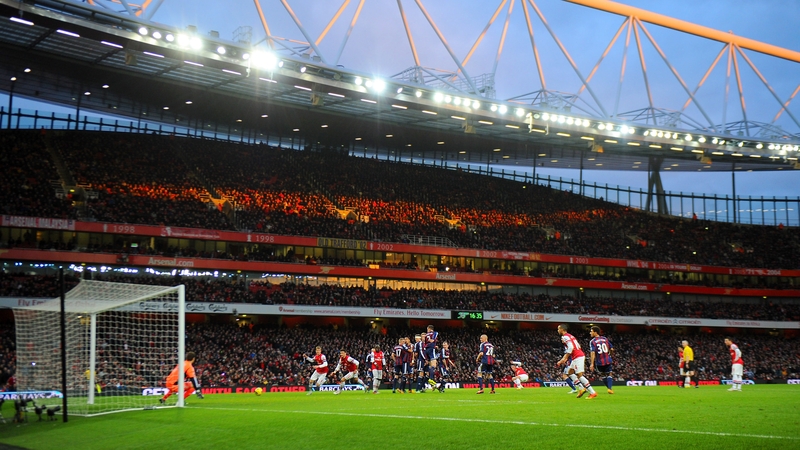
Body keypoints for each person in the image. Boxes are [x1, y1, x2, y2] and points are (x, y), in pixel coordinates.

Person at [556, 324, 597, 399]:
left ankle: (592, 392)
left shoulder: (564, 337)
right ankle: (581, 389)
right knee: (570, 372)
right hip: (577, 356)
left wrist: (564, 358)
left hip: (578, 356)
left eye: (558, 329)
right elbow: (578, 346)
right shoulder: (571, 336)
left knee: (579, 375)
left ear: (562, 329)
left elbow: (571, 347)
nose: (558, 330)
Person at [589, 326, 615, 394]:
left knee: (603, 375)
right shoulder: (605, 339)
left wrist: (592, 363)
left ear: (595, 332)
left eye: (591, 331)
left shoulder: (593, 341)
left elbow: (593, 352)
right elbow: (612, 349)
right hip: (607, 359)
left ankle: (609, 389)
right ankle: (609, 388)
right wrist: (610, 354)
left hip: (599, 362)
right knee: (609, 374)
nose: (590, 333)